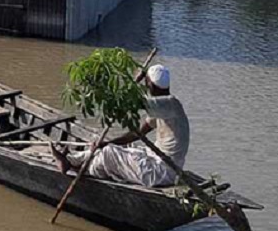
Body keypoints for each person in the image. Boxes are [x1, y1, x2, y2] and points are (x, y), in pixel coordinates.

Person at [50, 64, 191, 188]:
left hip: (162, 173)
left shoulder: (170, 104)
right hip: (155, 159)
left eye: (147, 83)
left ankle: (77, 168)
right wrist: (105, 143)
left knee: (108, 153)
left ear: (150, 85)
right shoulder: (161, 108)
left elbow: (134, 101)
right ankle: (70, 159)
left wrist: (134, 83)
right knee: (113, 147)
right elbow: (136, 134)